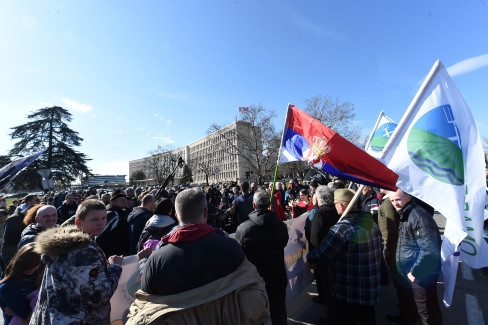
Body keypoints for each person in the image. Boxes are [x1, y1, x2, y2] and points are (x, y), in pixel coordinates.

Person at [129, 188, 269, 324]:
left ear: (177, 216)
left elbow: (147, 296)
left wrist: (143, 262)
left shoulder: (157, 259)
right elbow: (252, 284)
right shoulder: (231, 247)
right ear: (206, 212)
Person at [30, 199, 123, 325]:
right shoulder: (83, 251)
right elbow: (98, 296)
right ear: (78, 222)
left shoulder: (65, 246)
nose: (101, 223)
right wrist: (115, 267)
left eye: (103, 218)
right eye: (94, 219)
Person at [307, 188, 382, 325]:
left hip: (349, 289)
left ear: (341, 205)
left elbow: (322, 254)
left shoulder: (342, 228)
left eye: (335, 203)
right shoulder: (371, 223)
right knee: (368, 319)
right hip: (370, 286)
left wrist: (309, 257)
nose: (334, 206)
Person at [389, 189, 442, 325]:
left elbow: (430, 250)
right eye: (392, 200)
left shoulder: (418, 216)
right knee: (417, 307)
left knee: (427, 312)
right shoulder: (407, 213)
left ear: (408, 197)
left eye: (398, 199)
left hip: (421, 275)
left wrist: (415, 271)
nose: (395, 203)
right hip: (412, 272)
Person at [235, 190, 289, 325]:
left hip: (255, 280)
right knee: (279, 313)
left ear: (254, 205)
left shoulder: (243, 229)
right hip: (275, 278)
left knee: (258, 316)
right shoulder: (281, 226)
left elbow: (239, 254)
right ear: (269, 205)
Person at [309, 185, 340, 306]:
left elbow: (315, 238)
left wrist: (313, 257)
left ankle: (331, 314)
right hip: (336, 252)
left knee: (327, 285)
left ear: (320, 198)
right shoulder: (335, 210)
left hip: (323, 255)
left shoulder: (320, 214)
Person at [0, 243, 43, 325]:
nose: (32, 268)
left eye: (37, 265)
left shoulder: (40, 277)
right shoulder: (6, 287)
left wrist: (18, 308)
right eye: (29, 265)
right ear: (19, 261)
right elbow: (30, 315)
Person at [1, 194, 40, 268]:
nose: (39, 202)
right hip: (14, 260)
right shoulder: (13, 220)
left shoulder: (30, 219)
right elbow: (10, 244)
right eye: (37, 200)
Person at [96, 190, 130, 256]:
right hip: (112, 253)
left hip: (121, 251)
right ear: (113, 202)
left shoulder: (123, 212)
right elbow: (100, 234)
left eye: (125, 200)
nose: (124, 202)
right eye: (122, 200)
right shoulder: (112, 214)